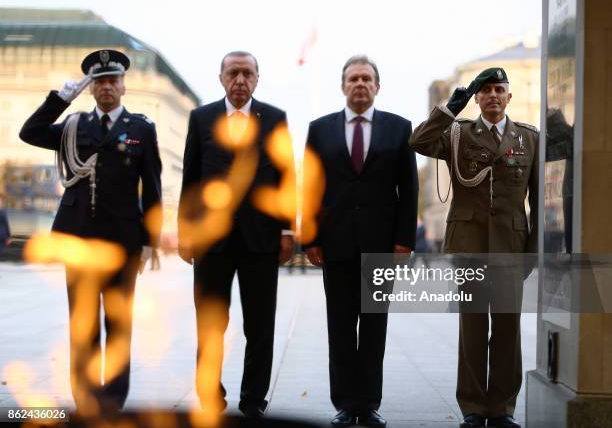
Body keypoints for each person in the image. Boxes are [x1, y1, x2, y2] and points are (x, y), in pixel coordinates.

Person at [19, 49, 162, 410]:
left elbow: (153, 189)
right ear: (91, 89)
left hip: (122, 243)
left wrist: (150, 243)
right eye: (100, 82)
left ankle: (113, 399)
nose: (107, 88)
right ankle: (84, 398)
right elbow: (29, 132)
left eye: (113, 81)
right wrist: (60, 98)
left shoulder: (142, 129)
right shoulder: (73, 125)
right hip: (78, 241)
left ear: (124, 87)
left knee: (118, 325)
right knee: (82, 325)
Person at [409, 68, 538, 428]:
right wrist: (451, 108)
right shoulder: (458, 134)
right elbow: (418, 141)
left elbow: (538, 201)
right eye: (486, 91)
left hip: (511, 247)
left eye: (500, 89)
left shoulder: (529, 139)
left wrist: (533, 251)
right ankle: (472, 406)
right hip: (470, 246)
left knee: (508, 329)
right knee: (473, 327)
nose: (493, 95)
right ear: (477, 99)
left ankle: (502, 408)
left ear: (509, 97)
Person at [304, 55, 418, 427]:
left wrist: (403, 240)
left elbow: (409, 188)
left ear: (377, 86)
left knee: (373, 327)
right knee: (339, 326)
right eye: (353, 78)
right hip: (334, 244)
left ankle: (367, 404)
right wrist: (311, 238)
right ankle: (344, 403)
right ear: (343, 86)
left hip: (381, 245)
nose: (360, 84)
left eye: (367, 78)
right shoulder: (319, 129)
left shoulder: (400, 129)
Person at [178, 51, 294, 418]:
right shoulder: (201, 118)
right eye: (233, 73)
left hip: (261, 239)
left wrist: (288, 229)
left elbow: (286, 176)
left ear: (257, 78)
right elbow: (191, 178)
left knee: (260, 326)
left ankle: (253, 400)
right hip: (212, 240)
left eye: (247, 73)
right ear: (221, 77)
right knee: (210, 322)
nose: (240, 80)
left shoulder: (275, 119)